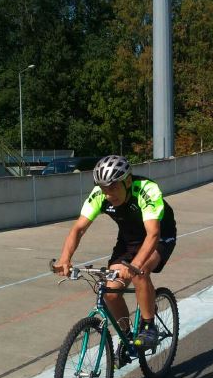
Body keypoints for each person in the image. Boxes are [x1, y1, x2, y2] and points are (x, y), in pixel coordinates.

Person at [53, 154, 176, 364]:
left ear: (127, 181)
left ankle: (149, 326)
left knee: (141, 272)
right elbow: (78, 229)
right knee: (110, 293)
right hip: (128, 241)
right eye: (104, 189)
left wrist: (136, 264)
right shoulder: (100, 195)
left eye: (113, 188)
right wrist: (65, 258)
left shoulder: (147, 189)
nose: (108, 194)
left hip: (158, 237)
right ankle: (127, 335)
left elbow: (153, 234)